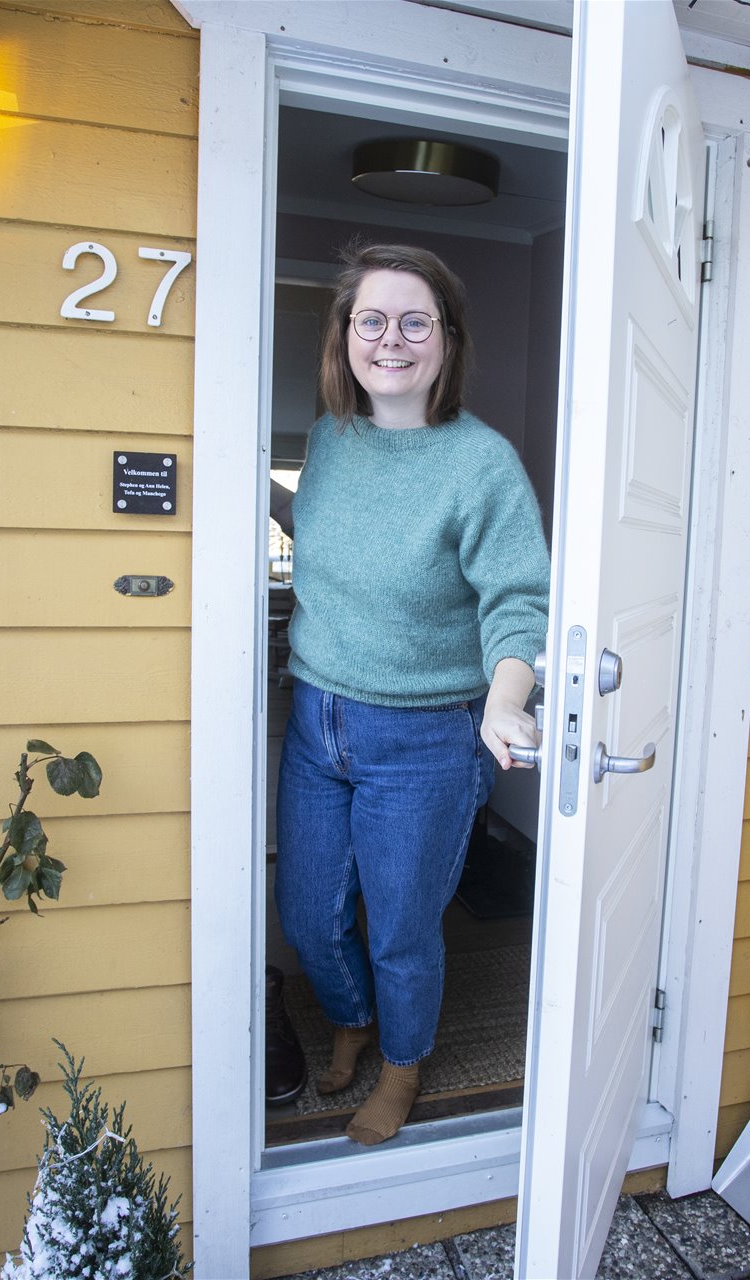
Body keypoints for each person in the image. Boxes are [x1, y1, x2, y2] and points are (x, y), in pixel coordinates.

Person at [275, 243, 549, 1145]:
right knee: (310, 916)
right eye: (372, 320)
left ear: (447, 340)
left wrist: (507, 701)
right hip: (319, 720)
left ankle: (402, 1061)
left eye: (415, 321)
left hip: (429, 737)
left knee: (399, 930)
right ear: (346, 337)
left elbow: (521, 600)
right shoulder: (326, 441)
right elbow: (325, 547)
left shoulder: (481, 465)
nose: (391, 339)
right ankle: (350, 1017)